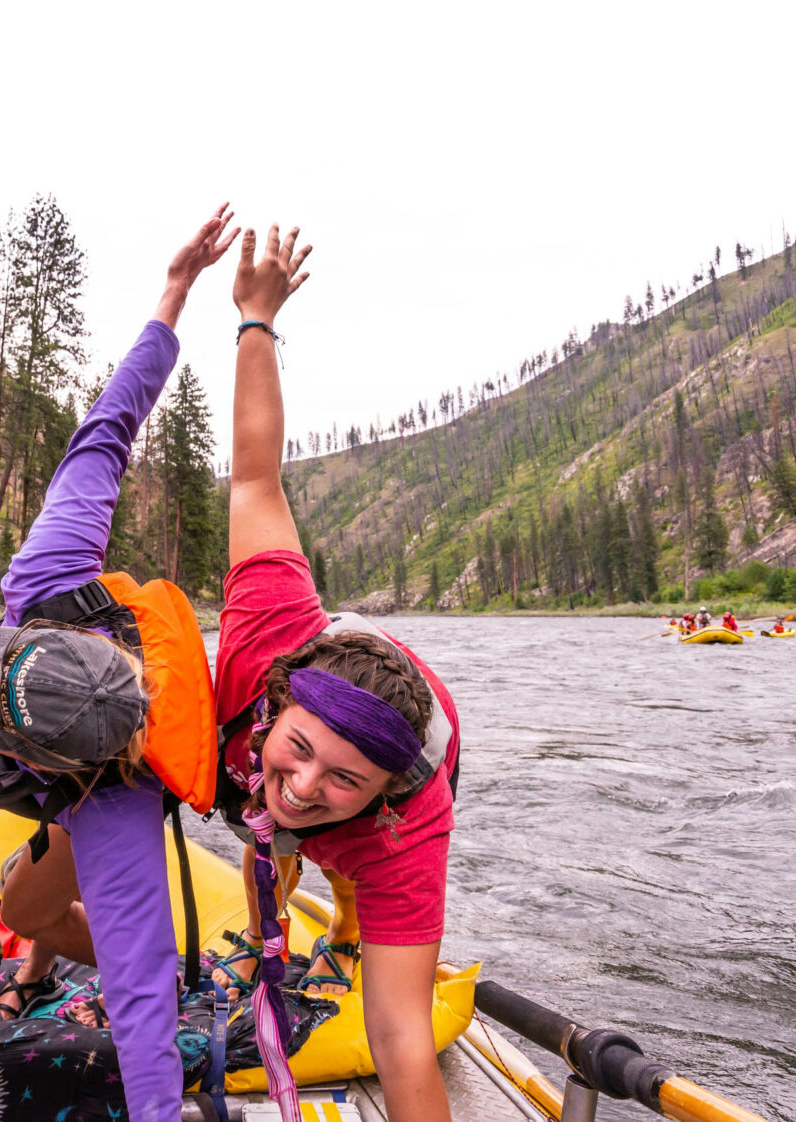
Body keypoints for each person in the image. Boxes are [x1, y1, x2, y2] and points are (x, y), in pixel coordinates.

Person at [0, 207, 238, 1122]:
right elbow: (107, 428)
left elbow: (146, 1016)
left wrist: (177, 291)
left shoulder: (118, 799)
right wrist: (173, 296)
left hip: (103, 799)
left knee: (53, 921)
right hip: (96, 786)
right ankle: (35, 958)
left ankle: (44, 956)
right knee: (27, 913)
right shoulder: (48, 572)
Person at [208, 225, 462, 1122]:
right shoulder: (264, 632)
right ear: (276, 707)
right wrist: (255, 318)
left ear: (387, 792)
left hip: (409, 745)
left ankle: (346, 921)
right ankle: (271, 924)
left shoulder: (404, 832)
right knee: (266, 831)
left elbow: (398, 1036)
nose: (306, 783)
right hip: (327, 660)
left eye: (343, 779)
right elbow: (254, 478)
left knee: (332, 853)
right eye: (300, 750)